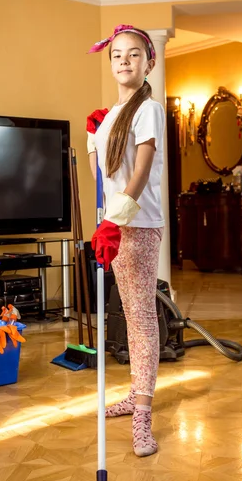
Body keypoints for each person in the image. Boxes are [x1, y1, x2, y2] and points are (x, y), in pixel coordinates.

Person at [86, 24, 165, 457]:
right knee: (130, 315)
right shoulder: (111, 116)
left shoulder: (148, 109)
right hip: (111, 224)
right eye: (117, 54)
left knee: (141, 316)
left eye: (134, 54)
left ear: (148, 62)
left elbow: (140, 171)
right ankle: (135, 395)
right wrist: (94, 138)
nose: (124, 61)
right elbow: (103, 176)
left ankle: (142, 417)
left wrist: (116, 220)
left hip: (137, 223)